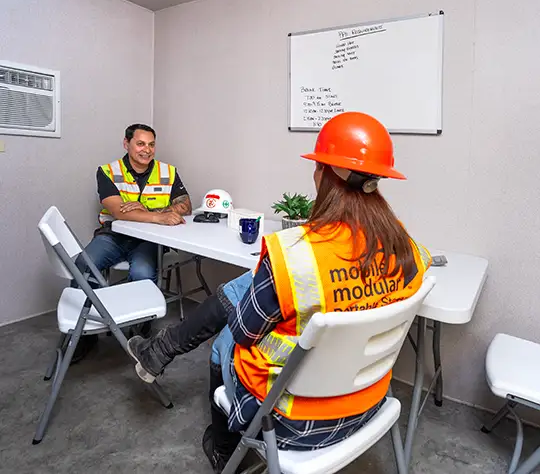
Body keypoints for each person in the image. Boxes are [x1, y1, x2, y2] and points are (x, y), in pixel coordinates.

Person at [127, 112, 432, 473]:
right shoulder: (407, 247)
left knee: (226, 338)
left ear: (324, 173)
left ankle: (223, 448)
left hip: (294, 422)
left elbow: (244, 332)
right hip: (369, 404)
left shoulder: (295, 254)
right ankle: (160, 350)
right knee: (244, 289)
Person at [74, 123, 192, 359]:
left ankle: (138, 332)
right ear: (126, 144)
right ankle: (84, 335)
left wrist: (147, 208)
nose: (146, 150)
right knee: (83, 265)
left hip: (147, 241)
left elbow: (186, 206)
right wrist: (159, 216)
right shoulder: (107, 171)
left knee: (143, 273)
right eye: (140, 144)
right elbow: (118, 211)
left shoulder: (168, 171)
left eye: (151, 144)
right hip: (113, 236)